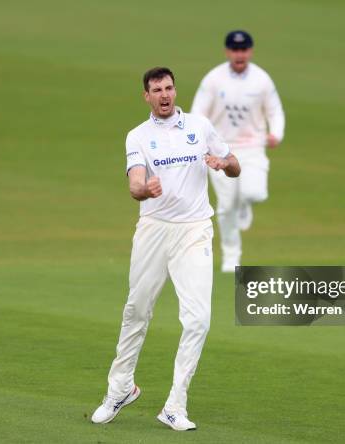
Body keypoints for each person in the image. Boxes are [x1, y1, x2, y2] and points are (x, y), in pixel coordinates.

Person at [91, 67, 240, 431]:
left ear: (176, 90)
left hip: (194, 231)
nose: (164, 95)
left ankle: (175, 405)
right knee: (137, 310)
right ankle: (120, 389)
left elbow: (235, 165)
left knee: (198, 320)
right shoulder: (138, 136)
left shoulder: (199, 127)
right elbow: (134, 185)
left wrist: (223, 164)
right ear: (146, 96)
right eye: (156, 90)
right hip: (154, 230)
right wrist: (146, 190)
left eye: (169, 88)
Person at [191, 30, 285, 272]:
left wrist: (276, 133)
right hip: (221, 149)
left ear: (250, 51)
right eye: (235, 49)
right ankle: (231, 257)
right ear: (227, 51)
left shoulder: (262, 79)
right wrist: (201, 143)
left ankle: (246, 201)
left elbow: (275, 110)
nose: (239, 54)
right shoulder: (213, 79)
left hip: (253, 146)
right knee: (225, 205)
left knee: (254, 193)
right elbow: (198, 112)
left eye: (243, 49)